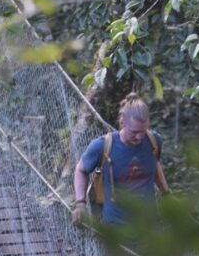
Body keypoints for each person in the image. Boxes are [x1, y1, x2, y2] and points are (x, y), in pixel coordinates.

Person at [72, 92, 169, 225]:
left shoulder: (154, 141)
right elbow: (81, 170)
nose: (140, 137)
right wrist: (80, 203)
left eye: (144, 131)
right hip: (116, 228)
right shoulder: (102, 146)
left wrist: (166, 193)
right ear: (122, 122)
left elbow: (154, 164)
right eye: (134, 132)